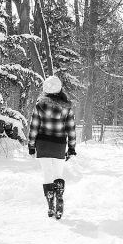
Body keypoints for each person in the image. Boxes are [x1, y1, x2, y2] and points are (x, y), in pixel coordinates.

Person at [27, 75, 77, 219]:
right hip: (59, 145)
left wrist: (31, 145)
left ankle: (50, 206)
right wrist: (72, 148)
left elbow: (34, 126)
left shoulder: (40, 105)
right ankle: (59, 197)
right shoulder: (67, 107)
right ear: (60, 88)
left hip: (42, 144)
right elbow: (71, 129)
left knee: (47, 175)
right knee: (58, 175)